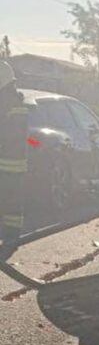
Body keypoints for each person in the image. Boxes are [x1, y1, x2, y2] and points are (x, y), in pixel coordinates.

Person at [0, 61, 28, 257]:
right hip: (10, 165)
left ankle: (11, 239)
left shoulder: (12, 107)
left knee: (11, 205)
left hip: (10, 166)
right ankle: (10, 237)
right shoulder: (12, 103)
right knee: (10, 204)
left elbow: (10, 136)